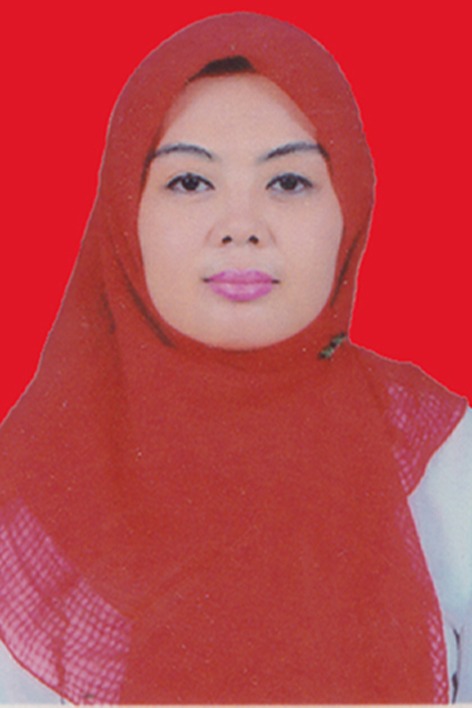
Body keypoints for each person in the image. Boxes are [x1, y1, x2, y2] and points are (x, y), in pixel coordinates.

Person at [0, 11, 470, 705]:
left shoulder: (443, 459)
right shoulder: (31, 491)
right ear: (125, 215)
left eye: (289, 182)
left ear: (349, 208)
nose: (242, 227)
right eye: (191, 182)